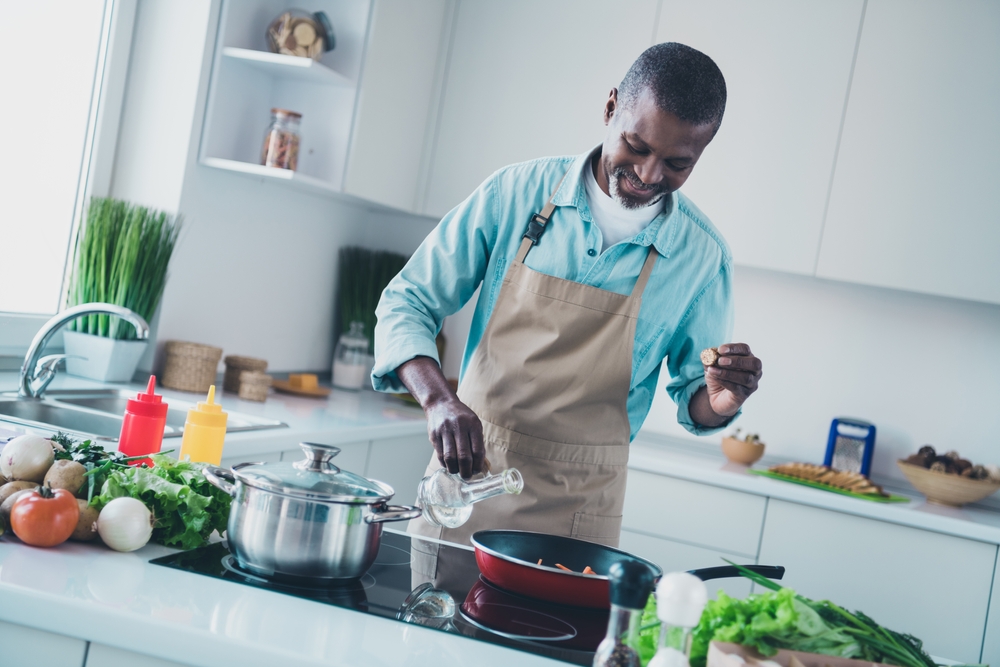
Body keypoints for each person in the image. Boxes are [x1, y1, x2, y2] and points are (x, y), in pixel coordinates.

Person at [372, 43, 763, 570]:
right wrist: (438, 399)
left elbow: (697, 395)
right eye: (635, 144)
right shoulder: (515, 193)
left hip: (581, 521)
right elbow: (407, 300)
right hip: (465, 493)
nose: (648, 175)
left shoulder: (702, 258)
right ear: (610, 109)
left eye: (676, 164)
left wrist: (722, 401)